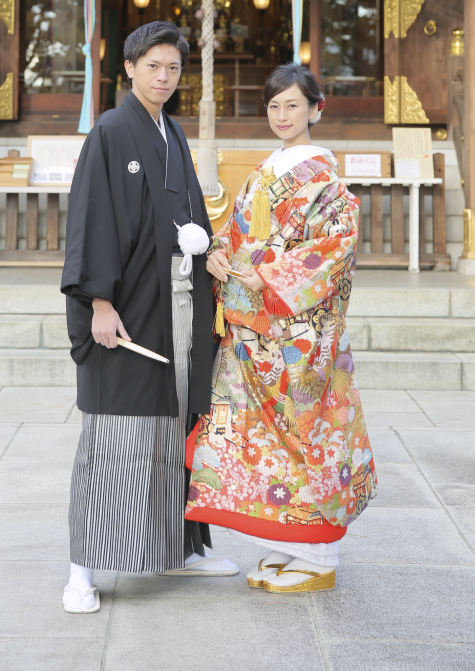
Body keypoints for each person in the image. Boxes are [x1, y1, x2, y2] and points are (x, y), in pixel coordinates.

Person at [61, 20, 238, 613]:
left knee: (175, 428)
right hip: (129, 310)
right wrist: (99, 304)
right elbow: (92, 220)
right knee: (114, 438)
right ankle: (81, 570)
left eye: (173, 69)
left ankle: (183, 546)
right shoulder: (111, 131)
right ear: (130, 67)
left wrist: (197, 241)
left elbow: (187, 213)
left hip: (176, 309)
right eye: (154, 66)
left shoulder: (174, 132)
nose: (164, 77)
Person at [185, 63, 377, 593]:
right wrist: (219, 257)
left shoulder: (328, 184)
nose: (282, 115)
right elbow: (235, 232)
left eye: (293, 105)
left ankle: (320, 553)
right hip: (251, 335)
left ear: (316, 108)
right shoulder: (262, 173)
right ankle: (286, 542)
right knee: (253, 432)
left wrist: (260, 277)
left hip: (298, 338)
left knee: (302, 431)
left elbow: (329, 254)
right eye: (273, 106)